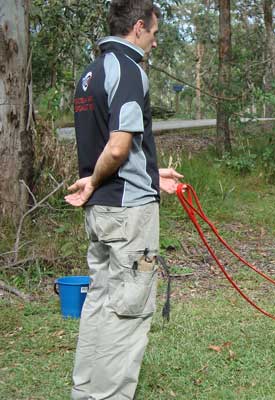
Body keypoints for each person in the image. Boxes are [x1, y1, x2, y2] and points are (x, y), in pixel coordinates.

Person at [65, 1, 183, 398]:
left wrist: (152, 173)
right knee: (128, 309)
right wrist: (96, 181)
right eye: (153, 33)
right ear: (137, 27)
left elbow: (113, 146)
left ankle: (85, 392)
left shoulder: (89, 73)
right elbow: (116, 150)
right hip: (128, 214)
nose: (153, 42)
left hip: (103, 213)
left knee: (99, 302)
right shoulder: (129, 71)